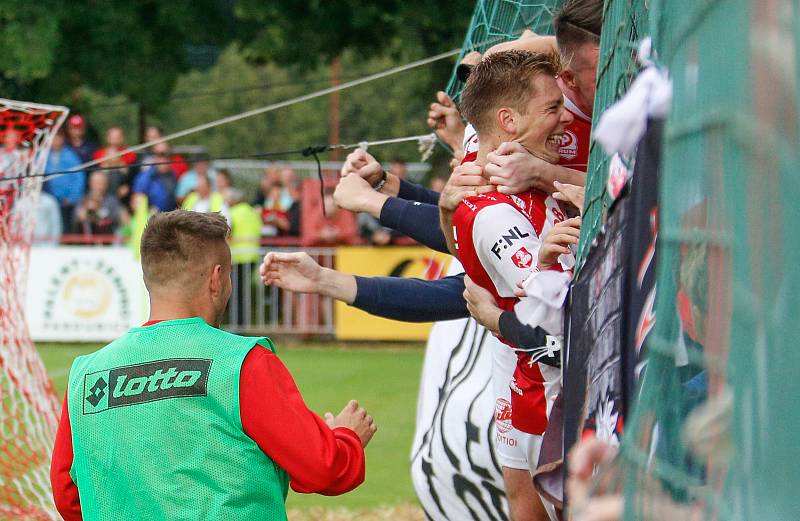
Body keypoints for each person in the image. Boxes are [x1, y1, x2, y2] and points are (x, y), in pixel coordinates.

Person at [50, 210, 377, 521]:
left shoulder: (87, 375)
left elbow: (69, 495)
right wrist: (345, 437)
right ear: (217, 279)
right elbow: (323, 469)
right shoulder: (241, 362)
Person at [446, 50, 576, 521]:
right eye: (552, 109)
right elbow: (551, 329)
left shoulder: (530, 188)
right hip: (549, 402)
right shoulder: (496, 215)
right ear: (508, 120)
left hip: (549, 396)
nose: (566, 120)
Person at [43, 130, 86, 230]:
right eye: (53, 138)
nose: (55, 141)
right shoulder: (43, 155)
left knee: (66, 227)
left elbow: (78, 178)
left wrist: (71, 197)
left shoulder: (70, 155)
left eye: (58, 138)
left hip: (66, 202)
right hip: (48, 200)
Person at [72, 170, 126, 237]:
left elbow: (116, 220)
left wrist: (98, 213)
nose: (99, 186)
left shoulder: (112, 201)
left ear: (106, 184)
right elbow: (75, 218)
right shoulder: (83, 199)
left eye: (101, 183)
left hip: (108, 237)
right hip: (86, 238)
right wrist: (82, 215)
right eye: (96, 183)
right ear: (90, 183)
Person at [132, 147, 178, 213]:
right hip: (150, 218)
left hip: (169, 216)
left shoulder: (173, 174)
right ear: (155, 158)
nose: (164, 160)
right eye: (161, 156)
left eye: (168, 156)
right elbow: (136, 200)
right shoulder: (146, 176)